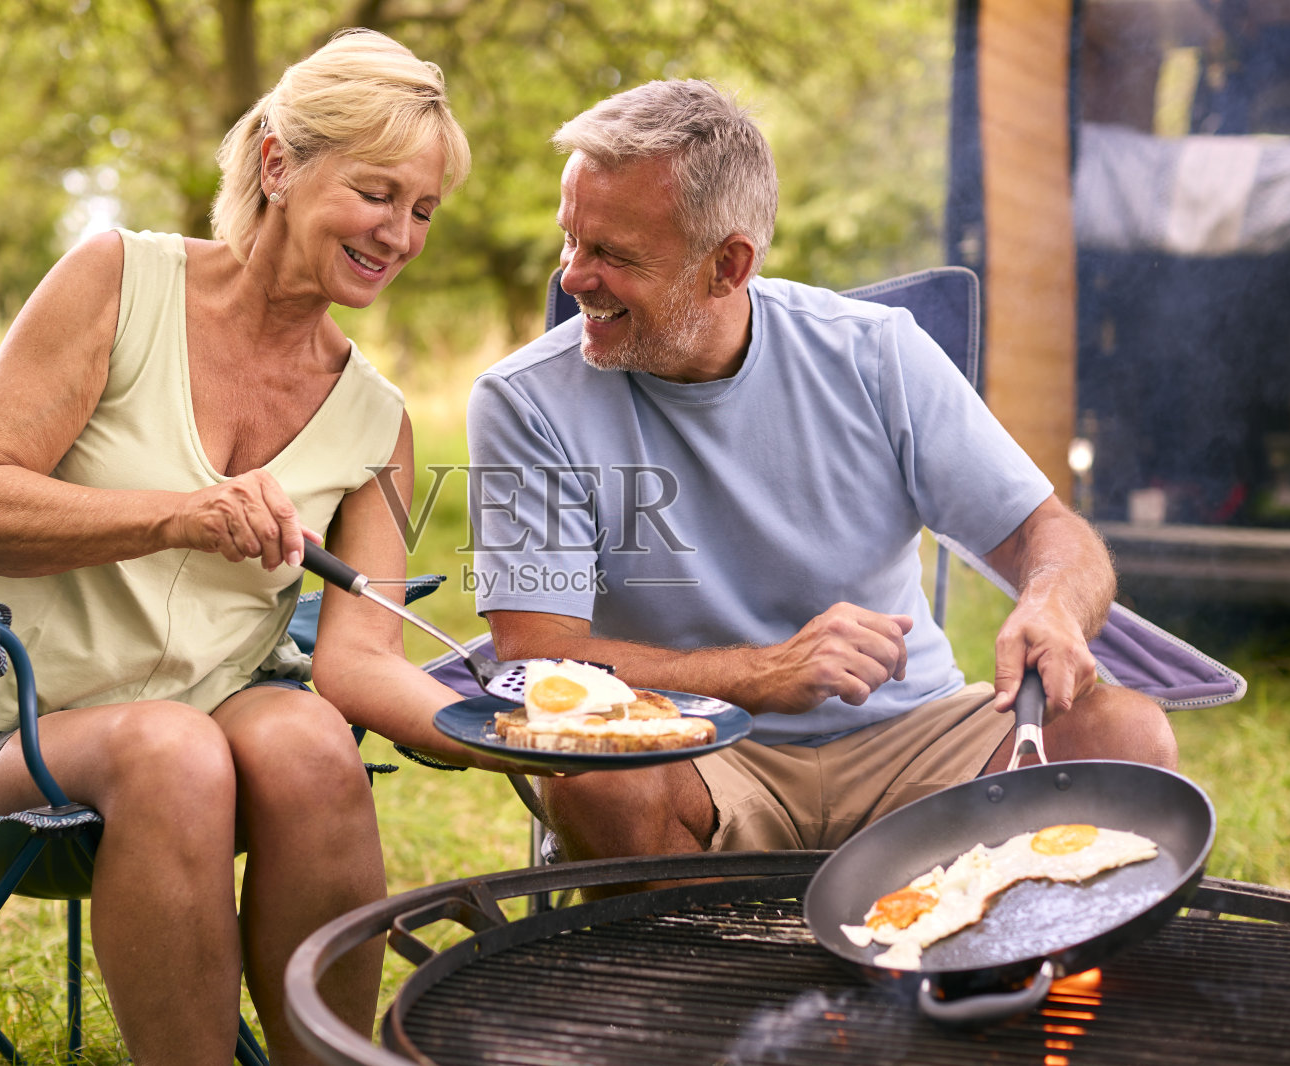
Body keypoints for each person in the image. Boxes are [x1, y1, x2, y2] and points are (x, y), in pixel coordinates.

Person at [0, 29, 514, 1066]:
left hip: (212, 747)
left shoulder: (375, 419)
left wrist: (532, 735)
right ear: (280, 163)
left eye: (423, 209)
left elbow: (362, 662)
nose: (402, 234)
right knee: (171, 746)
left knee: (312, 740)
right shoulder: (118, 281)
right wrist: (174, 513)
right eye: (379, 193)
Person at [466, 79, 1178, 889]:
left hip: (913, 736)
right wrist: (765, 675)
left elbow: (1048, 533)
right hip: (692, 747)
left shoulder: (874, 354)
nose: (574, 278)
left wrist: (1052, 601)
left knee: (1128, 740)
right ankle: (695, 994)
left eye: (614, 256)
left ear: (728, 265)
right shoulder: (523, 402)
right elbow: (538, 654)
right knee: (594, 771)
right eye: (573, 241)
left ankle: (997, 977)